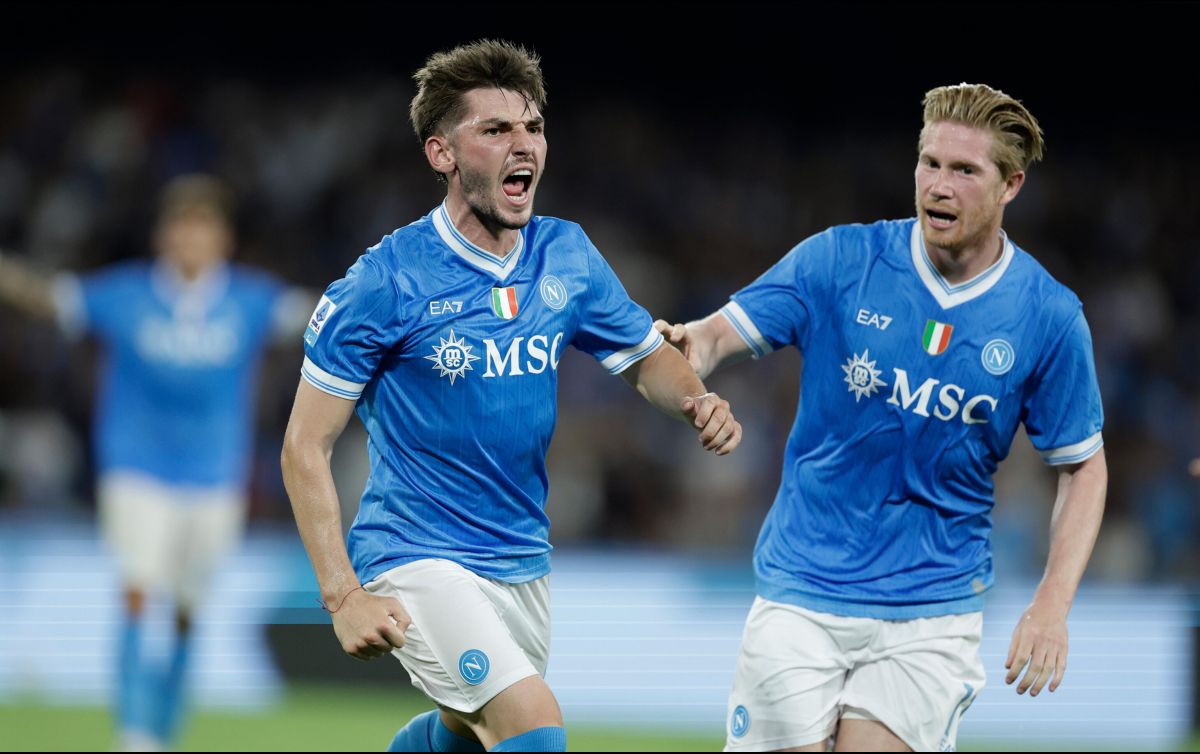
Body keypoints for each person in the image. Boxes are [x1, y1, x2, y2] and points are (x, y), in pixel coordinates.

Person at [279, 39, 742, 754]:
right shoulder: (386, 281)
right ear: (441, 154)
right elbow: (304, 445)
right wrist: (342, 595)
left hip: (521, 555)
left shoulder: (567, 255)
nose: (523, 144)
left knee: (466, 735)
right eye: (495, 129)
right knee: (533, 725)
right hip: (415, 553)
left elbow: (647, 357)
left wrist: (695, 400)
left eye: (533, 127)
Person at [655, 83, 1107, 752]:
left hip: (931, 611)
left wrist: (1052, 603)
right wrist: (690, 345)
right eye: (930, 163)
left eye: (964, 170)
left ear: (1010, 185)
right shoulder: (840, 260)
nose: (939, 185)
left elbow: (1083, 466)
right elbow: (721, 333)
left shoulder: (1048, 316)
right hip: (803, 588)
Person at [0, 173, 315, 750]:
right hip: (136, 467)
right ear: (163, 236)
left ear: (224, 239)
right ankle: (134, 735)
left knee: (188, 608)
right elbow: (48, 297)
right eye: (181, 227)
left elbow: (319, 313)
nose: (191, 239)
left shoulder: (250, 301)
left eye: (203, 227)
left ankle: (163, 729)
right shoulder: (127, 296)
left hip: (215, 476)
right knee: (138, 590)